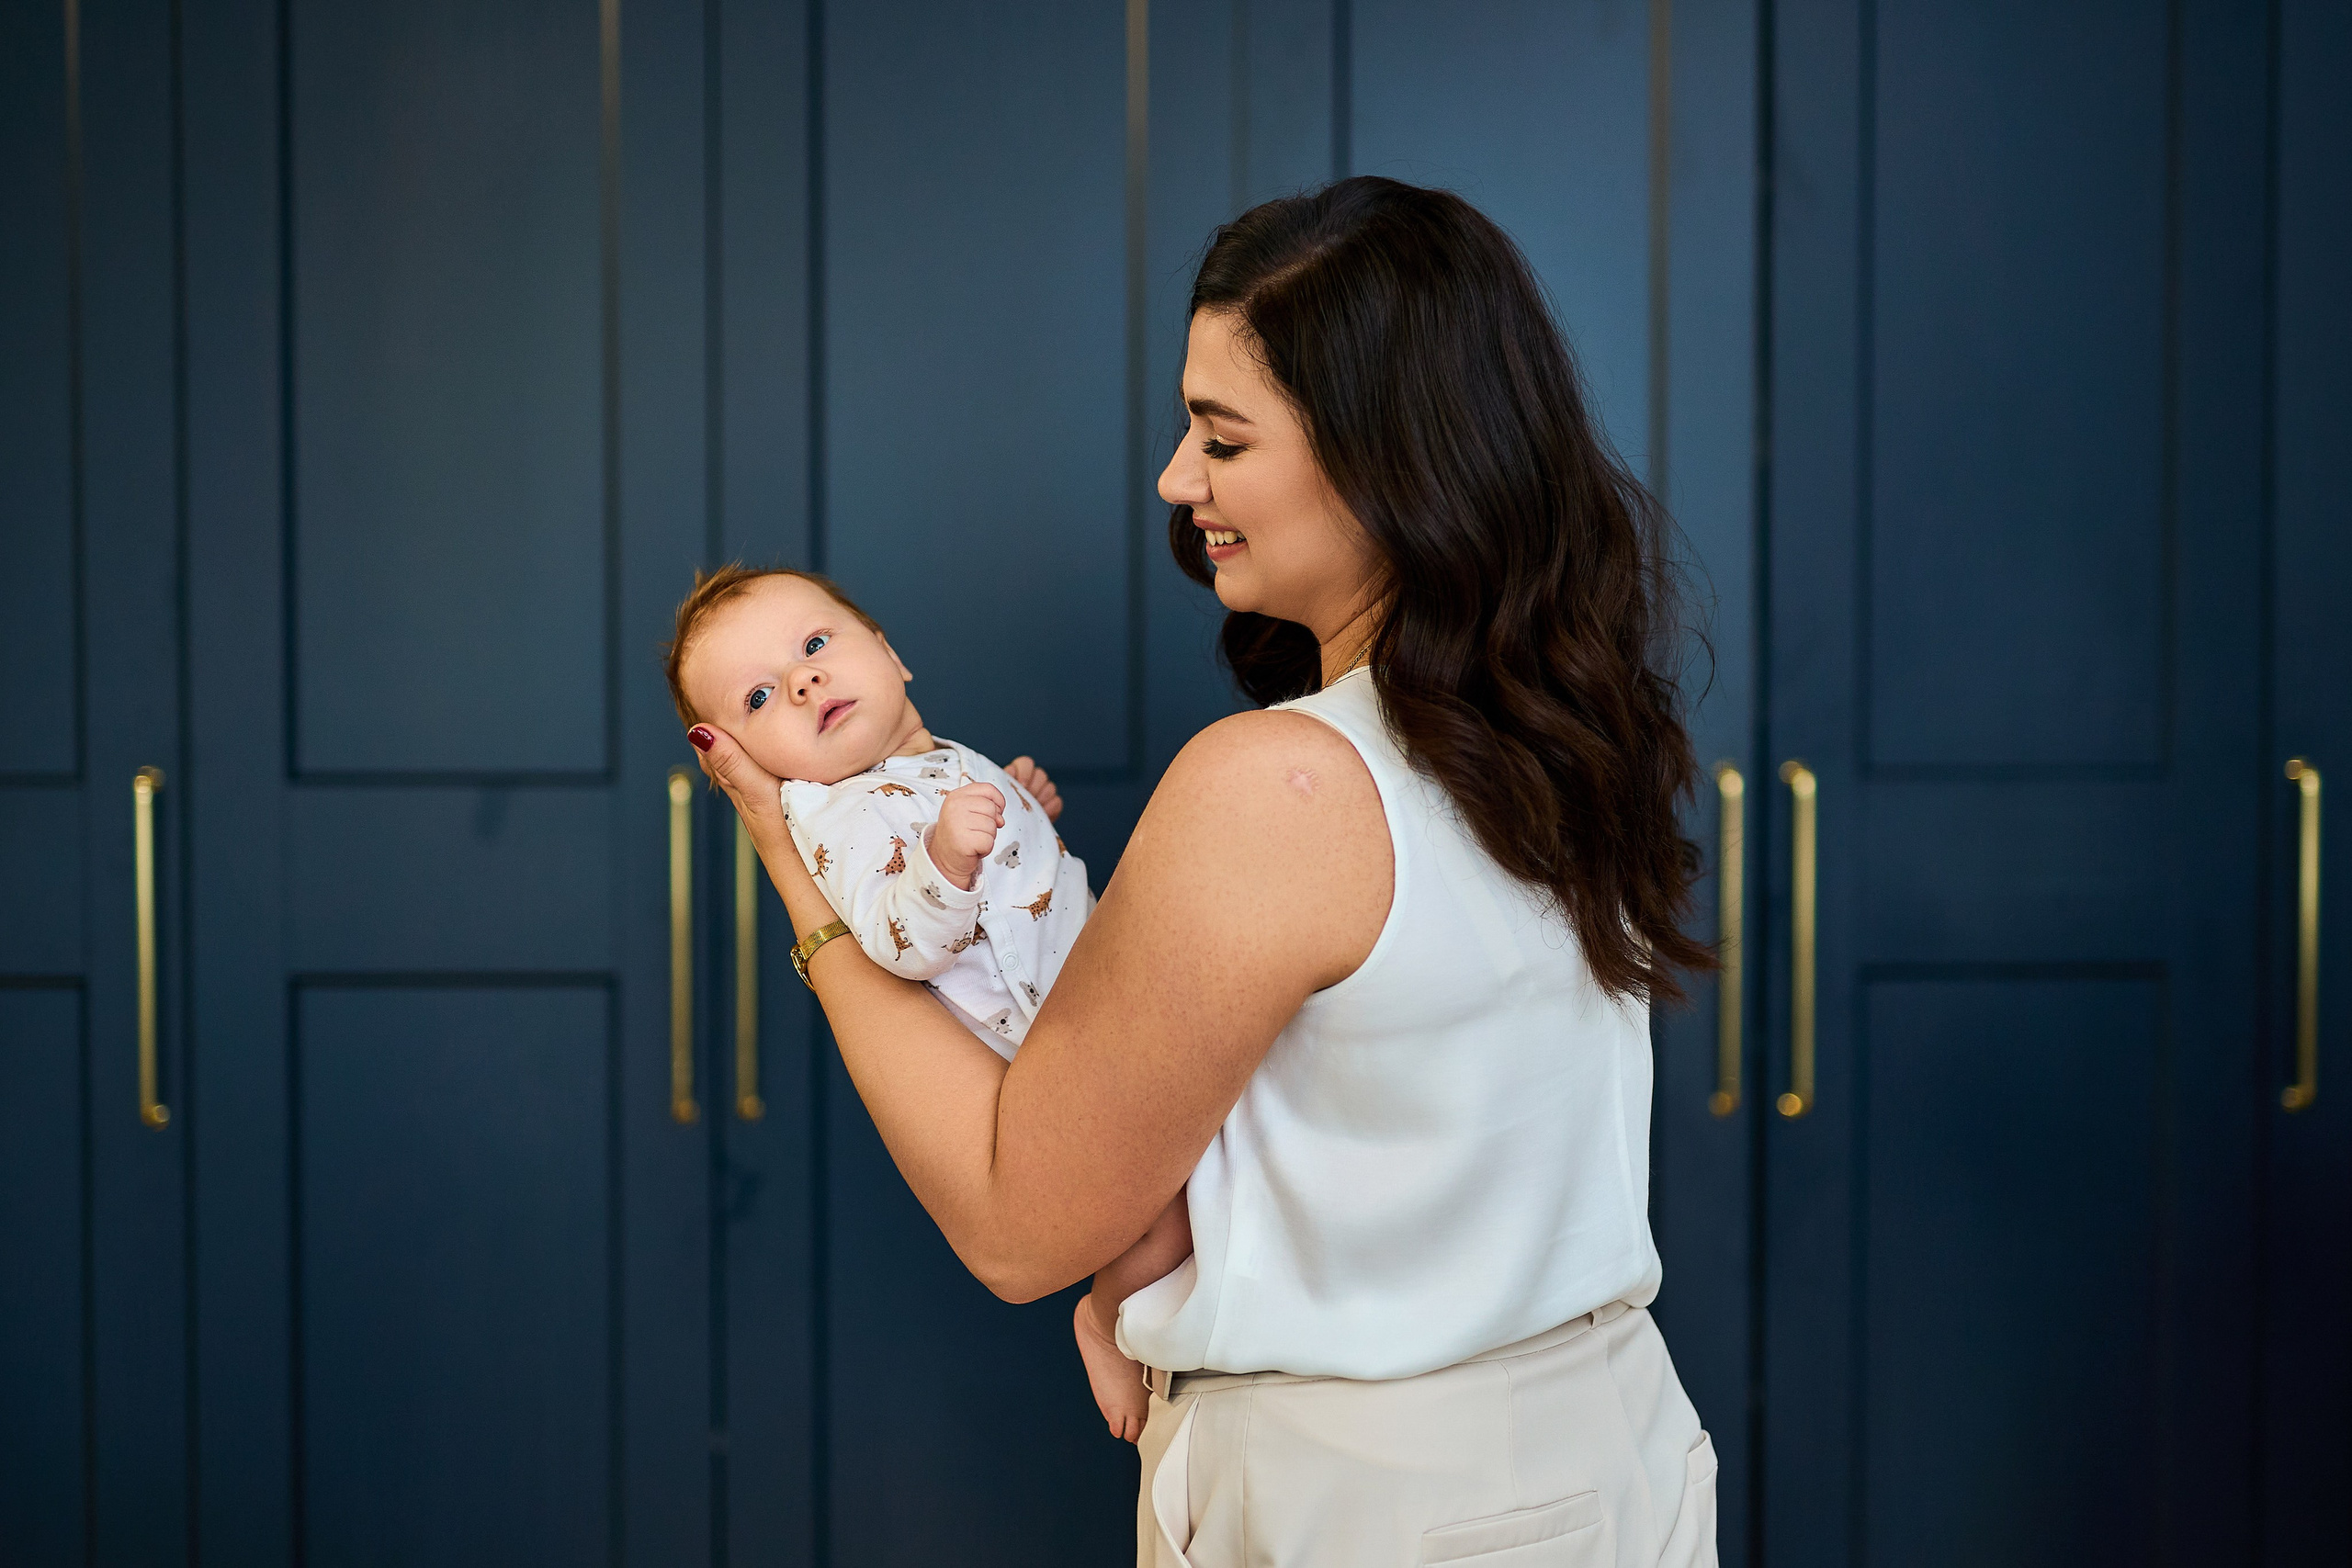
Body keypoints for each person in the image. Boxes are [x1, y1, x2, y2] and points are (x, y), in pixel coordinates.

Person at [689, 175, 1720, 1567]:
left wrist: (792, 864)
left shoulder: (1283, 783)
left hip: (1380, 1507)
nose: (1179, 478)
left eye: (1222, 438)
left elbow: (1016, 1223)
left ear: (1386, 459)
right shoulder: (1553, 729)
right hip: (1613, 1454)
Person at [663, 564, 1194, 1442]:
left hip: (1105, 999)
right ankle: (1103, 1320)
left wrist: (1023, 803)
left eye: (816, 645)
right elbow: (902, 939)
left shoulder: (935, 759)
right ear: (748, 761)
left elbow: (1017, 879)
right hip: (1059, 1052)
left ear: (893, 655)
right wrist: (946, 862)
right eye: (760, 696)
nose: (802, 681)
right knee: (1166, 1207)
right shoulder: (832, 815)